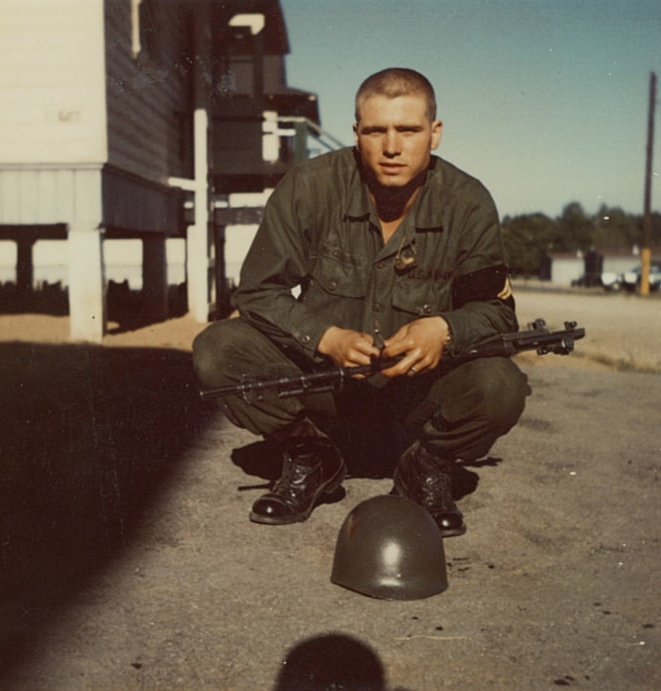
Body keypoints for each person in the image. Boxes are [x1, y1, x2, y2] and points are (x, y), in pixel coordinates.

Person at [193, 67, 530, 537]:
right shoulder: (310, 187)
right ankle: (313, 458)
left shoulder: (469, 203)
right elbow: (256, 291)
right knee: (218, 349)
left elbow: (497, 314)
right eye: (376, 131)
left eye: (408, 130)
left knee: (501, 385)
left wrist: (443, 330)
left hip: (416, 400)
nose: (392, 147)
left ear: (435, 134)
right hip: (326, 391)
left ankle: (425, 470)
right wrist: (324, 337)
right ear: (357, 134)